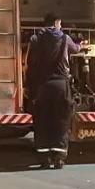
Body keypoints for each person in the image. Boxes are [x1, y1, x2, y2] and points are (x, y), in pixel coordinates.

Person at [25, 13, 85, 169]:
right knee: (61, 120)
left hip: (42, 86)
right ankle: (59, 158)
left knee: (43, 121)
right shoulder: (64, 38)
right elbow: (76, 49)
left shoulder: (35, 39)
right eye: (60, 23)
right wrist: (81, 44)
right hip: (61, 85)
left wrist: (28, 87)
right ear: (56, 22)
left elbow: (28, 64)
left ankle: (44, 158)